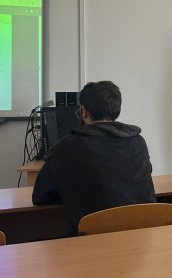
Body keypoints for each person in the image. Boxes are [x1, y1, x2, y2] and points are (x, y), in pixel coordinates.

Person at [33, 81, 155, 231]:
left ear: (84, 111)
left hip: (95, 237)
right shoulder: (138, 141)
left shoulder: (67, 146)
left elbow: (40, 196)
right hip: (143, 231)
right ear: (117, 110)